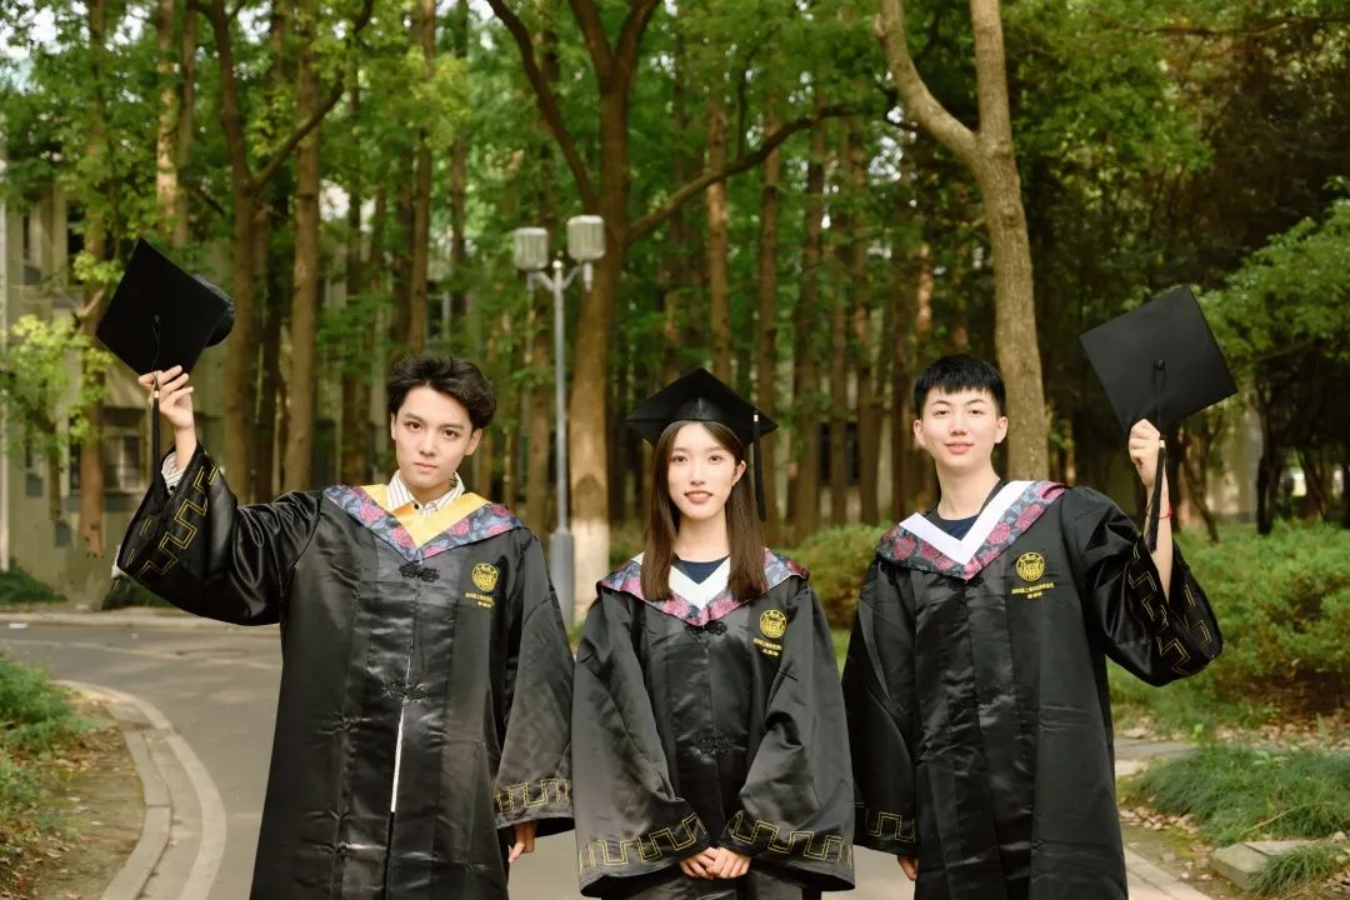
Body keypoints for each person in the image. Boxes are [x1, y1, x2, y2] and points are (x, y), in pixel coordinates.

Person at [103, 251, 572, 900]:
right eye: (415, 425)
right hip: (331, 811)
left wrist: (525, 799)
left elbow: (538, 672)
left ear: (473, 442)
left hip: (453, 813)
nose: (428, 445)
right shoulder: (326, 522)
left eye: (448, 432)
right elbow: (231, 554)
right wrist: (184, 434)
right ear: (393, 426)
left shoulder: (503, 545)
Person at [843, 354, 1224, 900]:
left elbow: (1146, 615)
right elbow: (883, 694)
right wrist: (903, 820)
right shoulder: (901, 558)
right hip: (955, 811)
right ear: (919, 431)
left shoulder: (1061, 518)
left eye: (975, 410)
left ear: (1000, 427)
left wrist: (1156, 496)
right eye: (942, 411)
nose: (958, 425)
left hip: (1061, 802)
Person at [571, 369, 855, 900]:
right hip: (660, 865)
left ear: (739, 470)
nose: (696, 475)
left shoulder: (784, 591)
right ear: (662, 471)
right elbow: (612, 726)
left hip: (766, 863)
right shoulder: (624, 598)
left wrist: (749, 835)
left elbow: (806, 715)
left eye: (714, 458)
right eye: (680, 459)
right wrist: (676, 834)